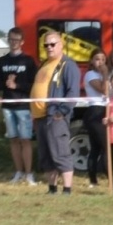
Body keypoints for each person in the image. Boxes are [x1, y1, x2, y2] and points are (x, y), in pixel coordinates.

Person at [31, 30, 82, 194]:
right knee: (46, 155)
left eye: (53, 44)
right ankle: (52, 188)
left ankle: (67, 189)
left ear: (61, 45)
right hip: (40, 117)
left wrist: (62, 112)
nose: (49, 48)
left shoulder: (68, 65)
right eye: (46, 45)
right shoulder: (44, 64)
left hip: (55, 117)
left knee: (60, 153)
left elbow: (73, 92)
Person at [0, 27, 37, 185]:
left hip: (23, 106)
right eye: (11, 40)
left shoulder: (28, 61)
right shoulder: (1, 61)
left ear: (22, 42)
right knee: (13, 139)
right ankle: (18, 172)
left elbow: (33, 85)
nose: (13, 43)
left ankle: (29, 174)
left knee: (26, 140)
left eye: (16, 40)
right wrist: (5, 83)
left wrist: (16, 85)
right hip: (7, 106)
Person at [79, 49, 109, 187]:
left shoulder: (101, 75)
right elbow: (104, 90)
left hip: (104, 109)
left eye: (103, 59)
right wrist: (105, 74)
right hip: (95, 111)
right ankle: (110, 176)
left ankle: (93, 179)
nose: (101, 62)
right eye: (97, 59)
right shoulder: (91, 75)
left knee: (96, 148)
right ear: (92, 61)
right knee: (105, 146)